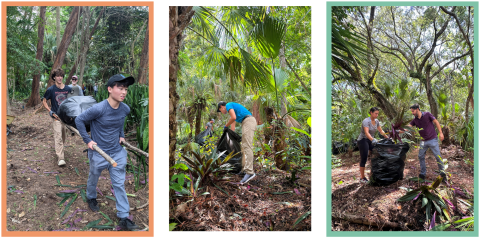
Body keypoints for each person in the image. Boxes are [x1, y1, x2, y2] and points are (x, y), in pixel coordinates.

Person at [75, 74, 140, 231]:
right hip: (99, 153)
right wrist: (88, 141)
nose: (124, 92)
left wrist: (122, 135)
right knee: (93, 177)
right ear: (110, 89)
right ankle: (91, 197)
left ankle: (123, 217)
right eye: (120, 88)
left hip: (117, 152)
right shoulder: (99, 109)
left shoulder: (125, 108)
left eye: (125, 89)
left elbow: (120, 121)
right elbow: (79, 120)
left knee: (119, 184)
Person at [405, 104, 446, 183]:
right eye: (411, 112)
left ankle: (443, 175)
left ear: (417, 109)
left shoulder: (427, 114)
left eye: (413, 111)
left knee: (438, 157)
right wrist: (397, 131)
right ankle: (422, 174)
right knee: (420, 156)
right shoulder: (415, 120)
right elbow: (408, 127)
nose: (412, 113)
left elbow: (436, 122)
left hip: (432, 139)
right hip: (423, 141)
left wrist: (441, 133)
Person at [217, 101, 257, 184]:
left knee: (247, 146)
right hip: (245, 122)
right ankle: (244, 170)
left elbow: (234, 118)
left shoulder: (228, 105)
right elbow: (233, 127)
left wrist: (225, 125)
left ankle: (250, 172)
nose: (222, 112)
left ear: (221, 106)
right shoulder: (232, 111)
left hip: (248, 121)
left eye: (220, 110)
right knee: (243, 146)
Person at [42, 68, 72, 166]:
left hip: (66, 118)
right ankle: (61, 158)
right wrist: (50, 112)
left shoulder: (68, 89)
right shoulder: (51, 89)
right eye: (57, 76)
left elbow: (73, 102)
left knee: (63, 137)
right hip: (57, 118)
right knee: (58, 136)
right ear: (54, 77)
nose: (59, 78)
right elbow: (44, 101)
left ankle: (60, 150)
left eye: (61, 76)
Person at [357, 107, 389, 183]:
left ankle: (375, 172)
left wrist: (388, 138)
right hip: (363, 140)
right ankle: (362, 178)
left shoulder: (377, 121)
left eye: (378, 113)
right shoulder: (366, 121)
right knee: (364, 157)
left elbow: (381, 131)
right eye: (375, 113)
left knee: (378, 152)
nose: (377, 115)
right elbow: (366, 133)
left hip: (370, 140)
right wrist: (373, 140)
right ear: (371, 112)